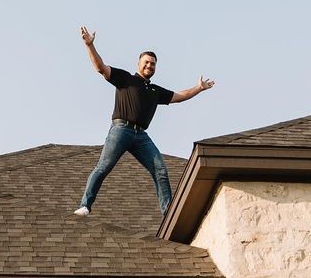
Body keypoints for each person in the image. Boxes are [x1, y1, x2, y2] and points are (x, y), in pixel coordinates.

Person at [75, 26, 214, 217]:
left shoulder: (155, 91)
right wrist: (90, 45)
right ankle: (85, 205)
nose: (150, 66)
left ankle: (168, 216)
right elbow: (100, 67)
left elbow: (179, 96)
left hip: (141, 136)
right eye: (147, 62)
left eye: (153, 64)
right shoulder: (126, 79)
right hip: (120, 130)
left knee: (161, 170)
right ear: (139, 64)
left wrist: (198, 88)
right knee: (104, 167)